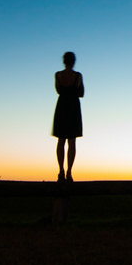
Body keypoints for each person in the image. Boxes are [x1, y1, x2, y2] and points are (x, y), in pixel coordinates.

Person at [52, 51, 84, 182]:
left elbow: (58, 90)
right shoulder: (78, 76)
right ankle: (69, 172)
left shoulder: (58, 75)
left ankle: (60, 171)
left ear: (64, 61)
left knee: (61, 141)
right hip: (73, 107)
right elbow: (81, 93)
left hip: (62, 106)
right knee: (72, 142)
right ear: (74, 61)